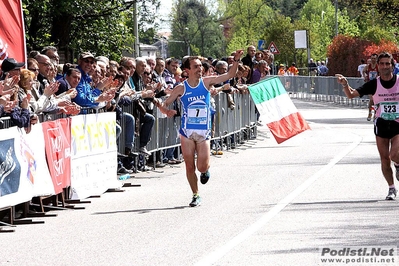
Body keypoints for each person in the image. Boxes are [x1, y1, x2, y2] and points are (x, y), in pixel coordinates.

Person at [155, 49, 244, 207]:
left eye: (200, 66)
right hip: (187, 132)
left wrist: (236, 61)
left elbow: (229, 76)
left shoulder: (207, 82)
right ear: (187, 70)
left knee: (201, 166)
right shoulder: (180, 89)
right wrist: (165, 110)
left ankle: (205, 170)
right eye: (196, 67)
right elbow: (165, 104)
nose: (200, 69)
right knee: (189, 165)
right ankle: (195, 195)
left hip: (203, 132)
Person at [336, 52, 398, 201]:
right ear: (378, 66)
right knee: (384, 159)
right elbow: (351, 94)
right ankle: (391, 188)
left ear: (392, 66)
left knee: (394, 154)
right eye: (382, 64)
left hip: (398, 124)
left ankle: (398, 164)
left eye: (387, 64)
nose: (384, 67)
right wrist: (345, 84)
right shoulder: (373, 84)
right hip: (382, 124)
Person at [363, 54, 379, 121]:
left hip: (377, 84)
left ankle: (376, 114)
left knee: (376, 100)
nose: (373, 60)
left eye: (374, 58)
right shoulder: (368, 66)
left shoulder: (378, 66)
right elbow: (363, 71)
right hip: (369, 84)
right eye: (372, 58)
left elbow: (381, 73)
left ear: (376, 59)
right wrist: (365, 77)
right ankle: (370, 112)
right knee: (372, 99)